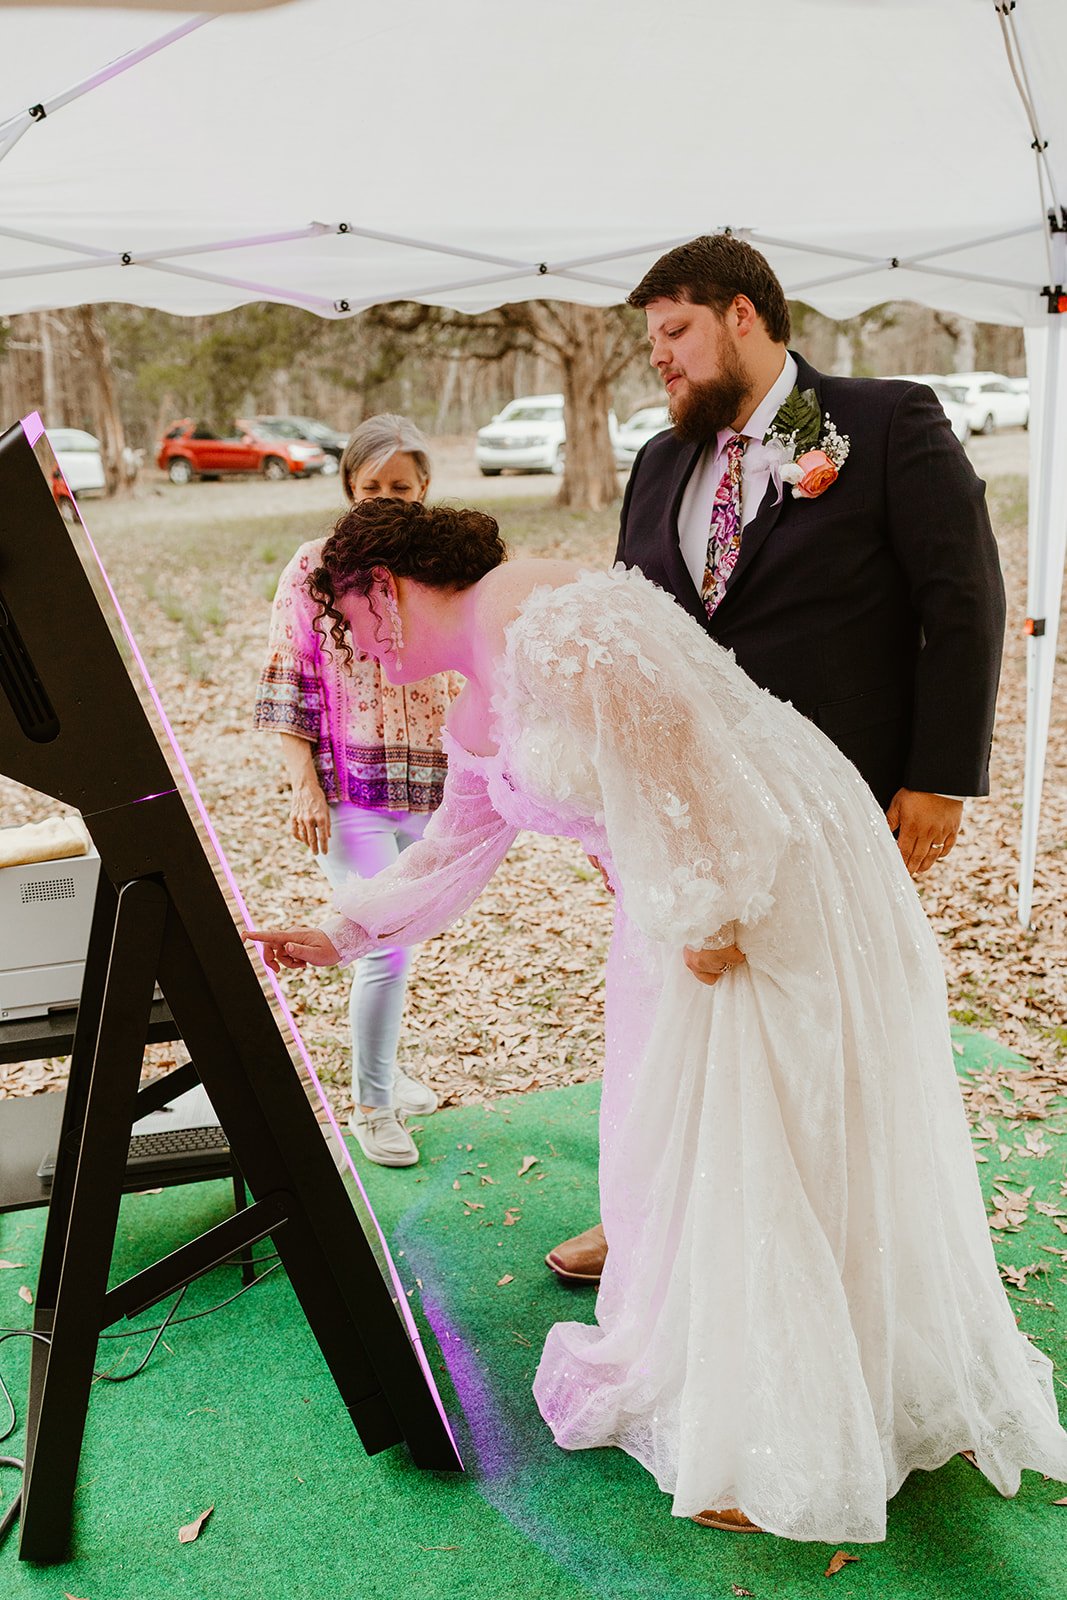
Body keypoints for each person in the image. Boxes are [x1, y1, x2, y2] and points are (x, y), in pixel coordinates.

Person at [245, 497, 1066, 1543]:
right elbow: (451, 852)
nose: (351, 644)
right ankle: (813, 1387)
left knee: (771, 1125)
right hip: (683, 891)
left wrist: (709, 904)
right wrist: (335, 930)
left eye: (348, 618)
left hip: (760, 870)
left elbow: (684, 743)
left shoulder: (532, 612)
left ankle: (813, 1415)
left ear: (384, 585)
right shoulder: (473, 703)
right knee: (684, 1143)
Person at [548, 233, 1007, 1286]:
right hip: (696, 811)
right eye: (649, 337)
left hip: (833, 807)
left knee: (817, 1035)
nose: (656, 357)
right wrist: (627, 807)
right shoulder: (662, 460)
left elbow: (963, 598)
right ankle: (657, 1219)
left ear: (741, 315)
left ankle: (829, 1263)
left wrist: (939, 777)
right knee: (684, 1023)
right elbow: (636, 640)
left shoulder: (883, 424)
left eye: (674, 331)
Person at [253, 414, 461, 1168]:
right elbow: (289, 683)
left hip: (435, 791)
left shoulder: (447, 565)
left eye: (400, 486)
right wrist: (302, 787)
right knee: (379, 944)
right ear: (348, 487)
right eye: (371, 486)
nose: (386, 498)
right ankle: (373, 1107)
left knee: (401, 939)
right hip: (350, 797)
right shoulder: (313, 567)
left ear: (424, 488)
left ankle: (388, 1075)